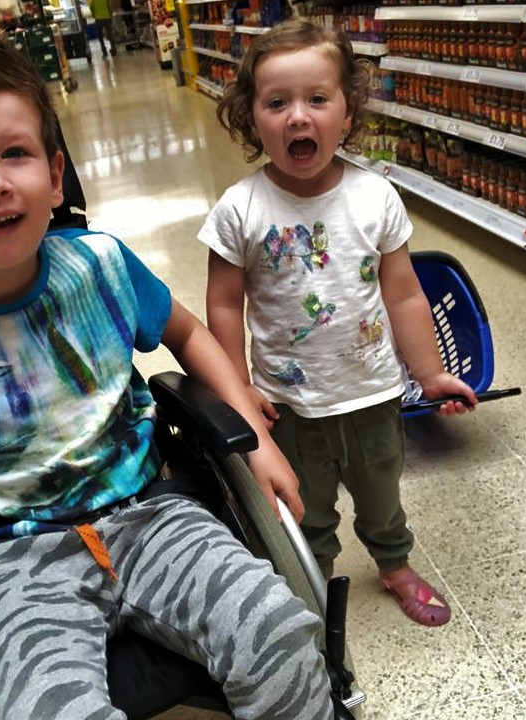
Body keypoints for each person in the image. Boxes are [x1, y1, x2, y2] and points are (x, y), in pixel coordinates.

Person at [0, 25, 334, 720]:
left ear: (55, 173)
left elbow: (189, 332)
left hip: (152, 517)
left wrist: (260, 439)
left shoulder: (98, 265)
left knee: (280, 636)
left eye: (15, 153)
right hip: (6, 562)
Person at [198, 18, 478, 628]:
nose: (299, 116)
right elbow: (223, 305)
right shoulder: (238, 210)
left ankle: (394, 561)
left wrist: (430, 375)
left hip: (373, 390)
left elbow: (403, 295)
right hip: (288, 400)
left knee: (381, 490)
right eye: (278, 103)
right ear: (252, 118)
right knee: (306, 502)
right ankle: (312, 574)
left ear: (347, 114)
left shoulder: (376, 197)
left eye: (317, 99)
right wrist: (239, 387)